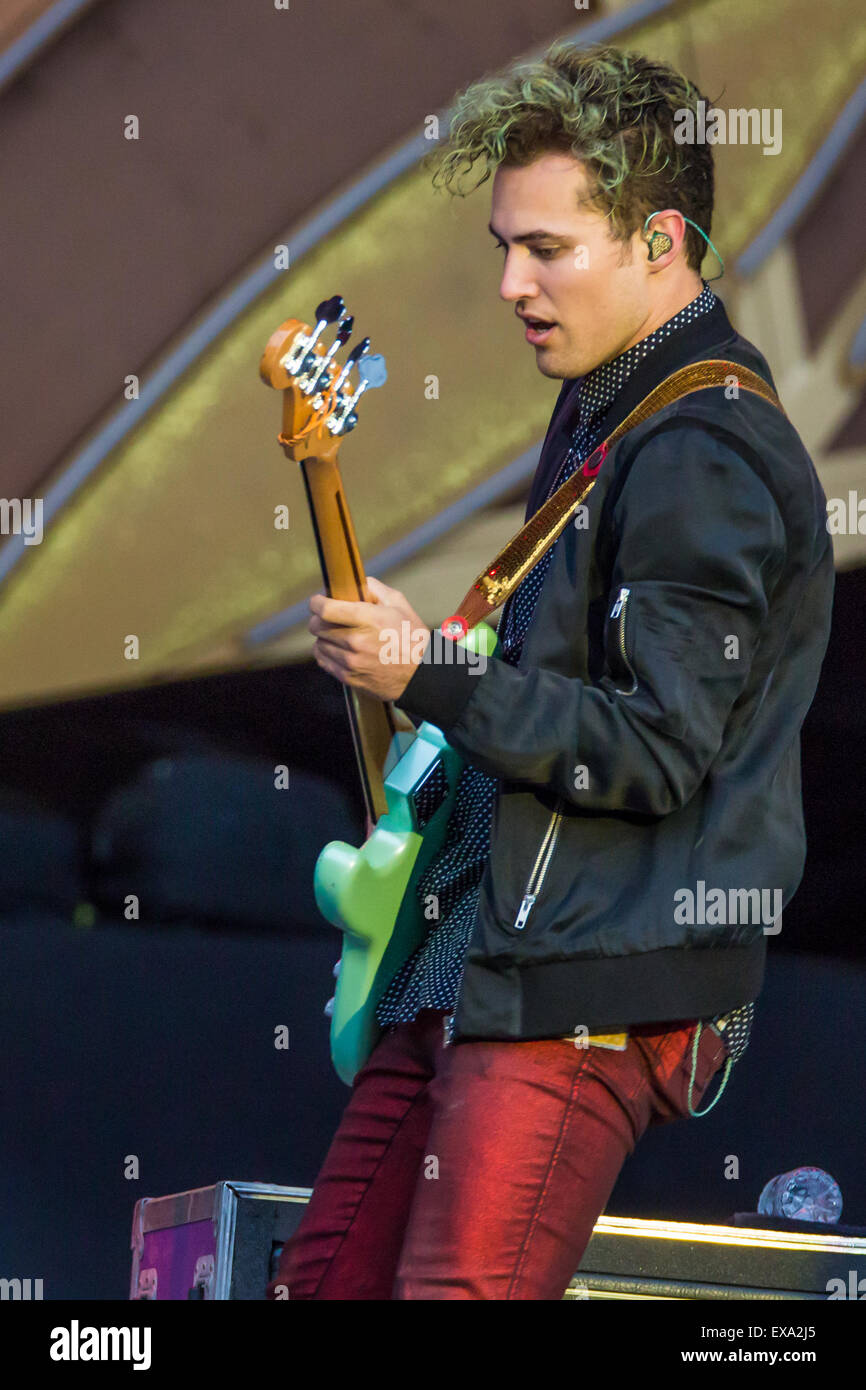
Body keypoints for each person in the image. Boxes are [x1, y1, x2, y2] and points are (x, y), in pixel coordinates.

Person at [266, 41, 834, 1300]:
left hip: (587, 979)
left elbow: (654, 745)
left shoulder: (704, 447)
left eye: (548, 250)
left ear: (659, 241)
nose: (514, 284)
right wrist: (430, 656)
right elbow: (560, 690)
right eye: (502, 249)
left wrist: (431, 675)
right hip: (476, 955)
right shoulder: (605, 408)